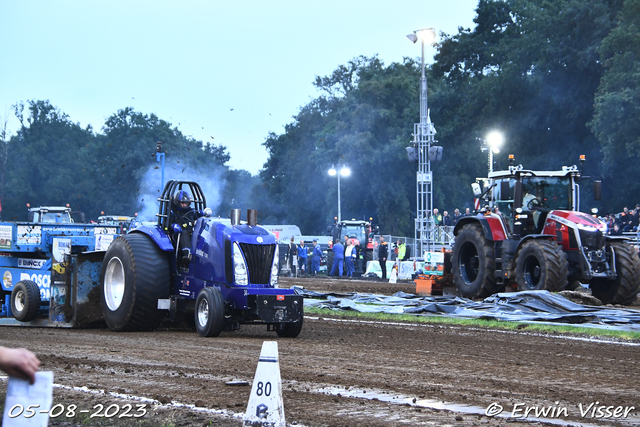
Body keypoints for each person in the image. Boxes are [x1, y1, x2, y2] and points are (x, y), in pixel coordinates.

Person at [169, 190, 200, 267]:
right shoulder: (172, 212)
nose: (184, 205)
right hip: (177, 235)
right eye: (182, 203)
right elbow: (168, 223)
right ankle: (187, 255)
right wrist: (173, 226)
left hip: (191, 232)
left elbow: (198, 220)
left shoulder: (192, 212)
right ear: (177, 202)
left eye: (185, 203)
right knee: (184, 233)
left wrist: (201, 214)